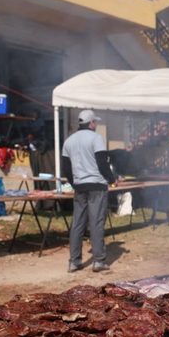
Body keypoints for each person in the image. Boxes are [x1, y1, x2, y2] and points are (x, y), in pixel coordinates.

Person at [62, 109, 116, 273]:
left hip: (80, 187)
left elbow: (66, 167)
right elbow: (102, 162)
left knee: (78, 223)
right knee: (96, 223)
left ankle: (74, 261)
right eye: (95, 122)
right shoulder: (96, 138)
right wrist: (112, 179)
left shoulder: (69, 141)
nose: (96, 125)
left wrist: (75, 183)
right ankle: (99, 261)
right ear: (91, 123)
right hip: (97, 186)